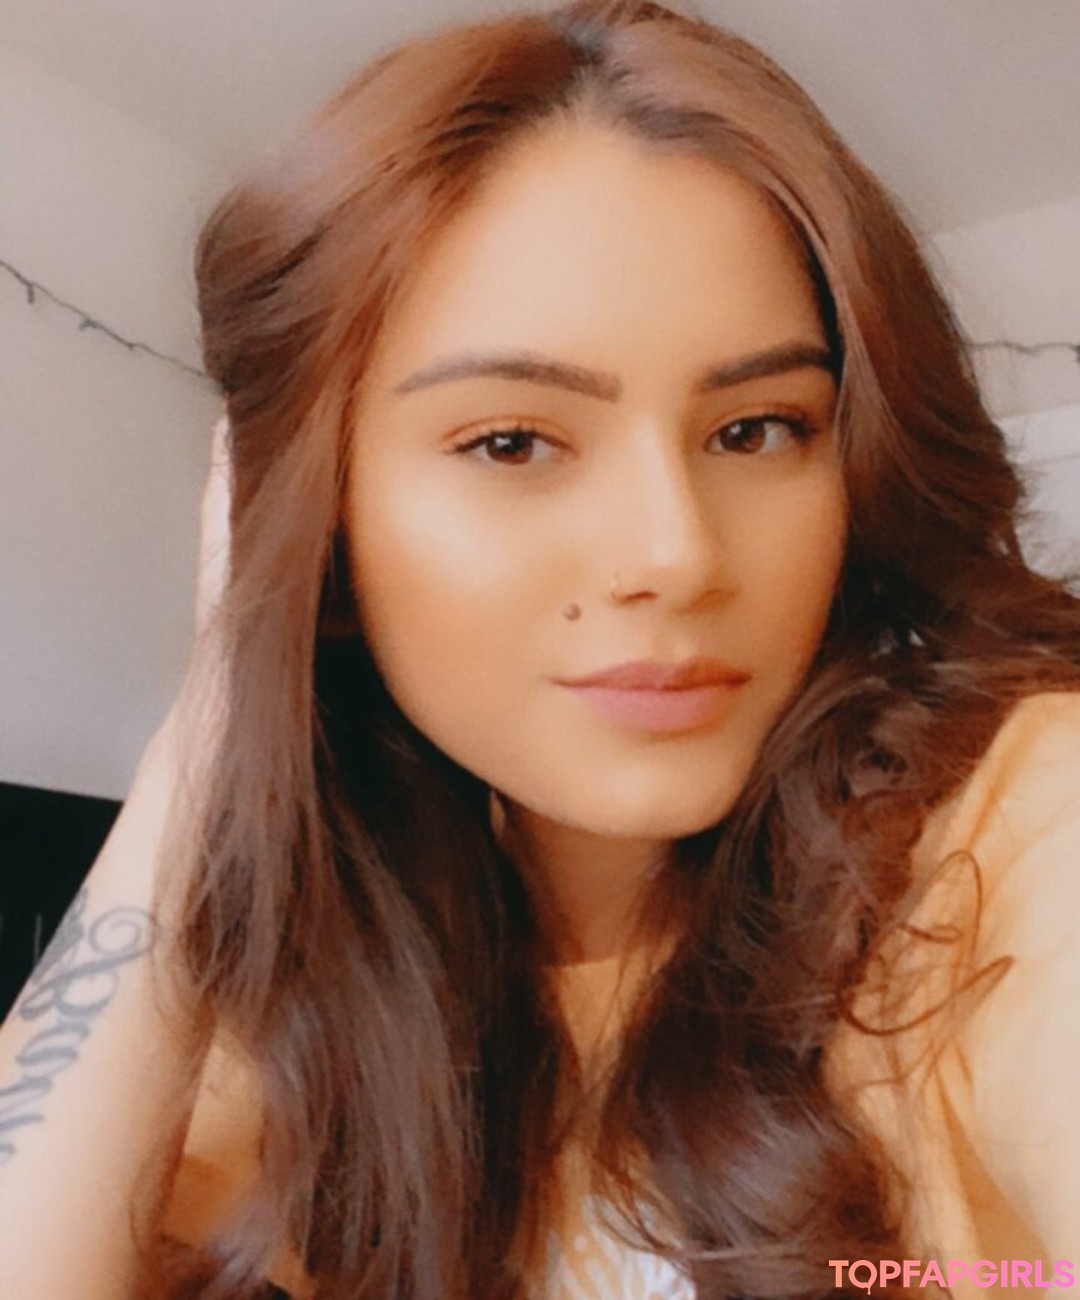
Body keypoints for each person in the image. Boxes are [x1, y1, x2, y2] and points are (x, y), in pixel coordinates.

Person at [1, 1, 1078, 1296]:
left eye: (757, 430)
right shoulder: (329, 983)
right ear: (315, 517)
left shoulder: (1016, 830)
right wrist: (220, 714)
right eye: (512, 442)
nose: (676, 554)